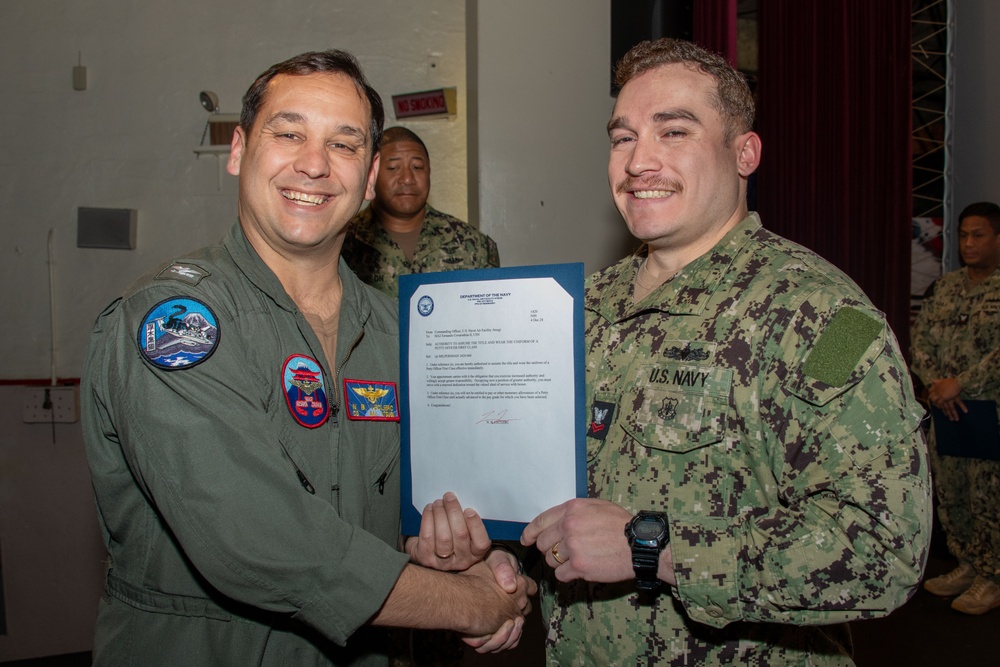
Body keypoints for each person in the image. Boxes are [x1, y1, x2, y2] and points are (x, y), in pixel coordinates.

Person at [80, 50, 534, 666]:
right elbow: (260, 542)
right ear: (238, 150)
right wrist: (472, 604)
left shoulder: (400, 329)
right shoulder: (174, 322)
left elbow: (420, 505)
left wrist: (475, 556)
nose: (314, 164)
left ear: (368, 177)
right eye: (289, 133)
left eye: (343, 145)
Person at [509, 38, 930, 664]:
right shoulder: (580, 307)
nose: (638, 162)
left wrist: (656, 548)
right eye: (623, 138)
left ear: (745, 153)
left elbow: (883, 549)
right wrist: (500, 560)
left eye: (674, 132)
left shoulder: (830, 318)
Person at [911, 201, 1000, 615]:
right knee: (952, 493)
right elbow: (921, 339)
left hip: (989, 411)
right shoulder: (945, 288)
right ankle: (966, 564)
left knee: (990, 498)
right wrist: (935, 385)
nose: (967, 243)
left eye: (978, 235)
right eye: (963, 235)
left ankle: (993, 575)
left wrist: (961, 383)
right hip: (947, 412)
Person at [342, 126, 499, 298]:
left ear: (429, 172)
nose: (408, 179)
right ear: (373, 174)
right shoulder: (342, 243)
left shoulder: (472, 244)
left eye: (417, 167)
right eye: (393, 168)